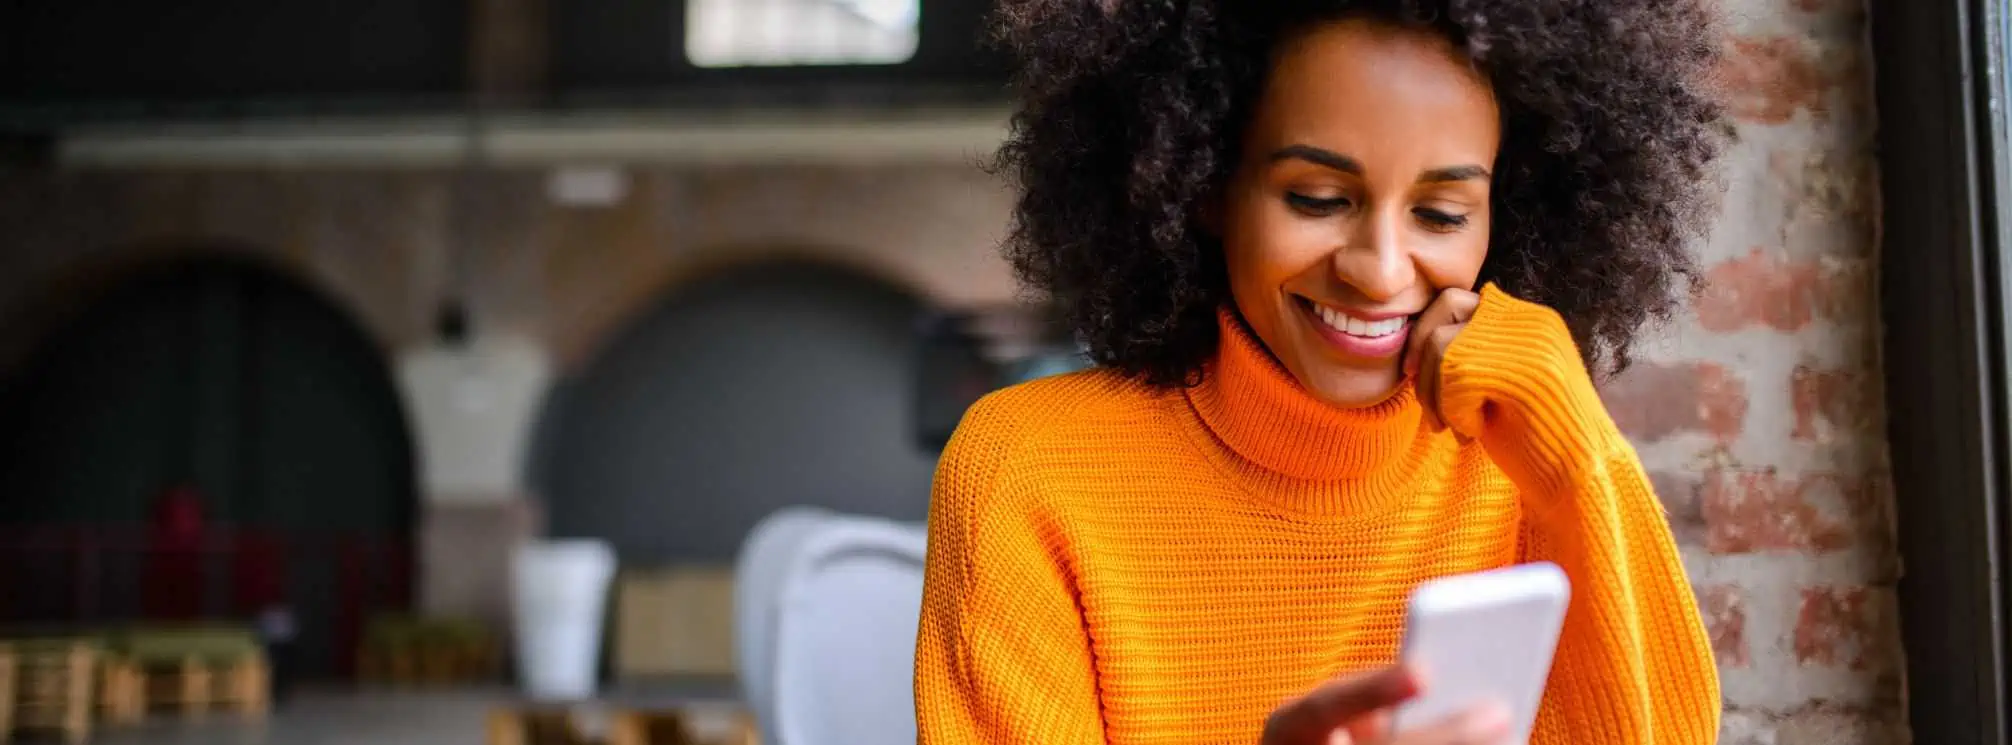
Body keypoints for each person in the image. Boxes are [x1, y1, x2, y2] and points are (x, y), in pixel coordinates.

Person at [914, 1, 1729, 743]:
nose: (1378, 271)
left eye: (1441, 214)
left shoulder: (1525, 458)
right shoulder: (1028, 469)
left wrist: (1574, 441)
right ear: (1205, 187)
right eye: (1315, 198)